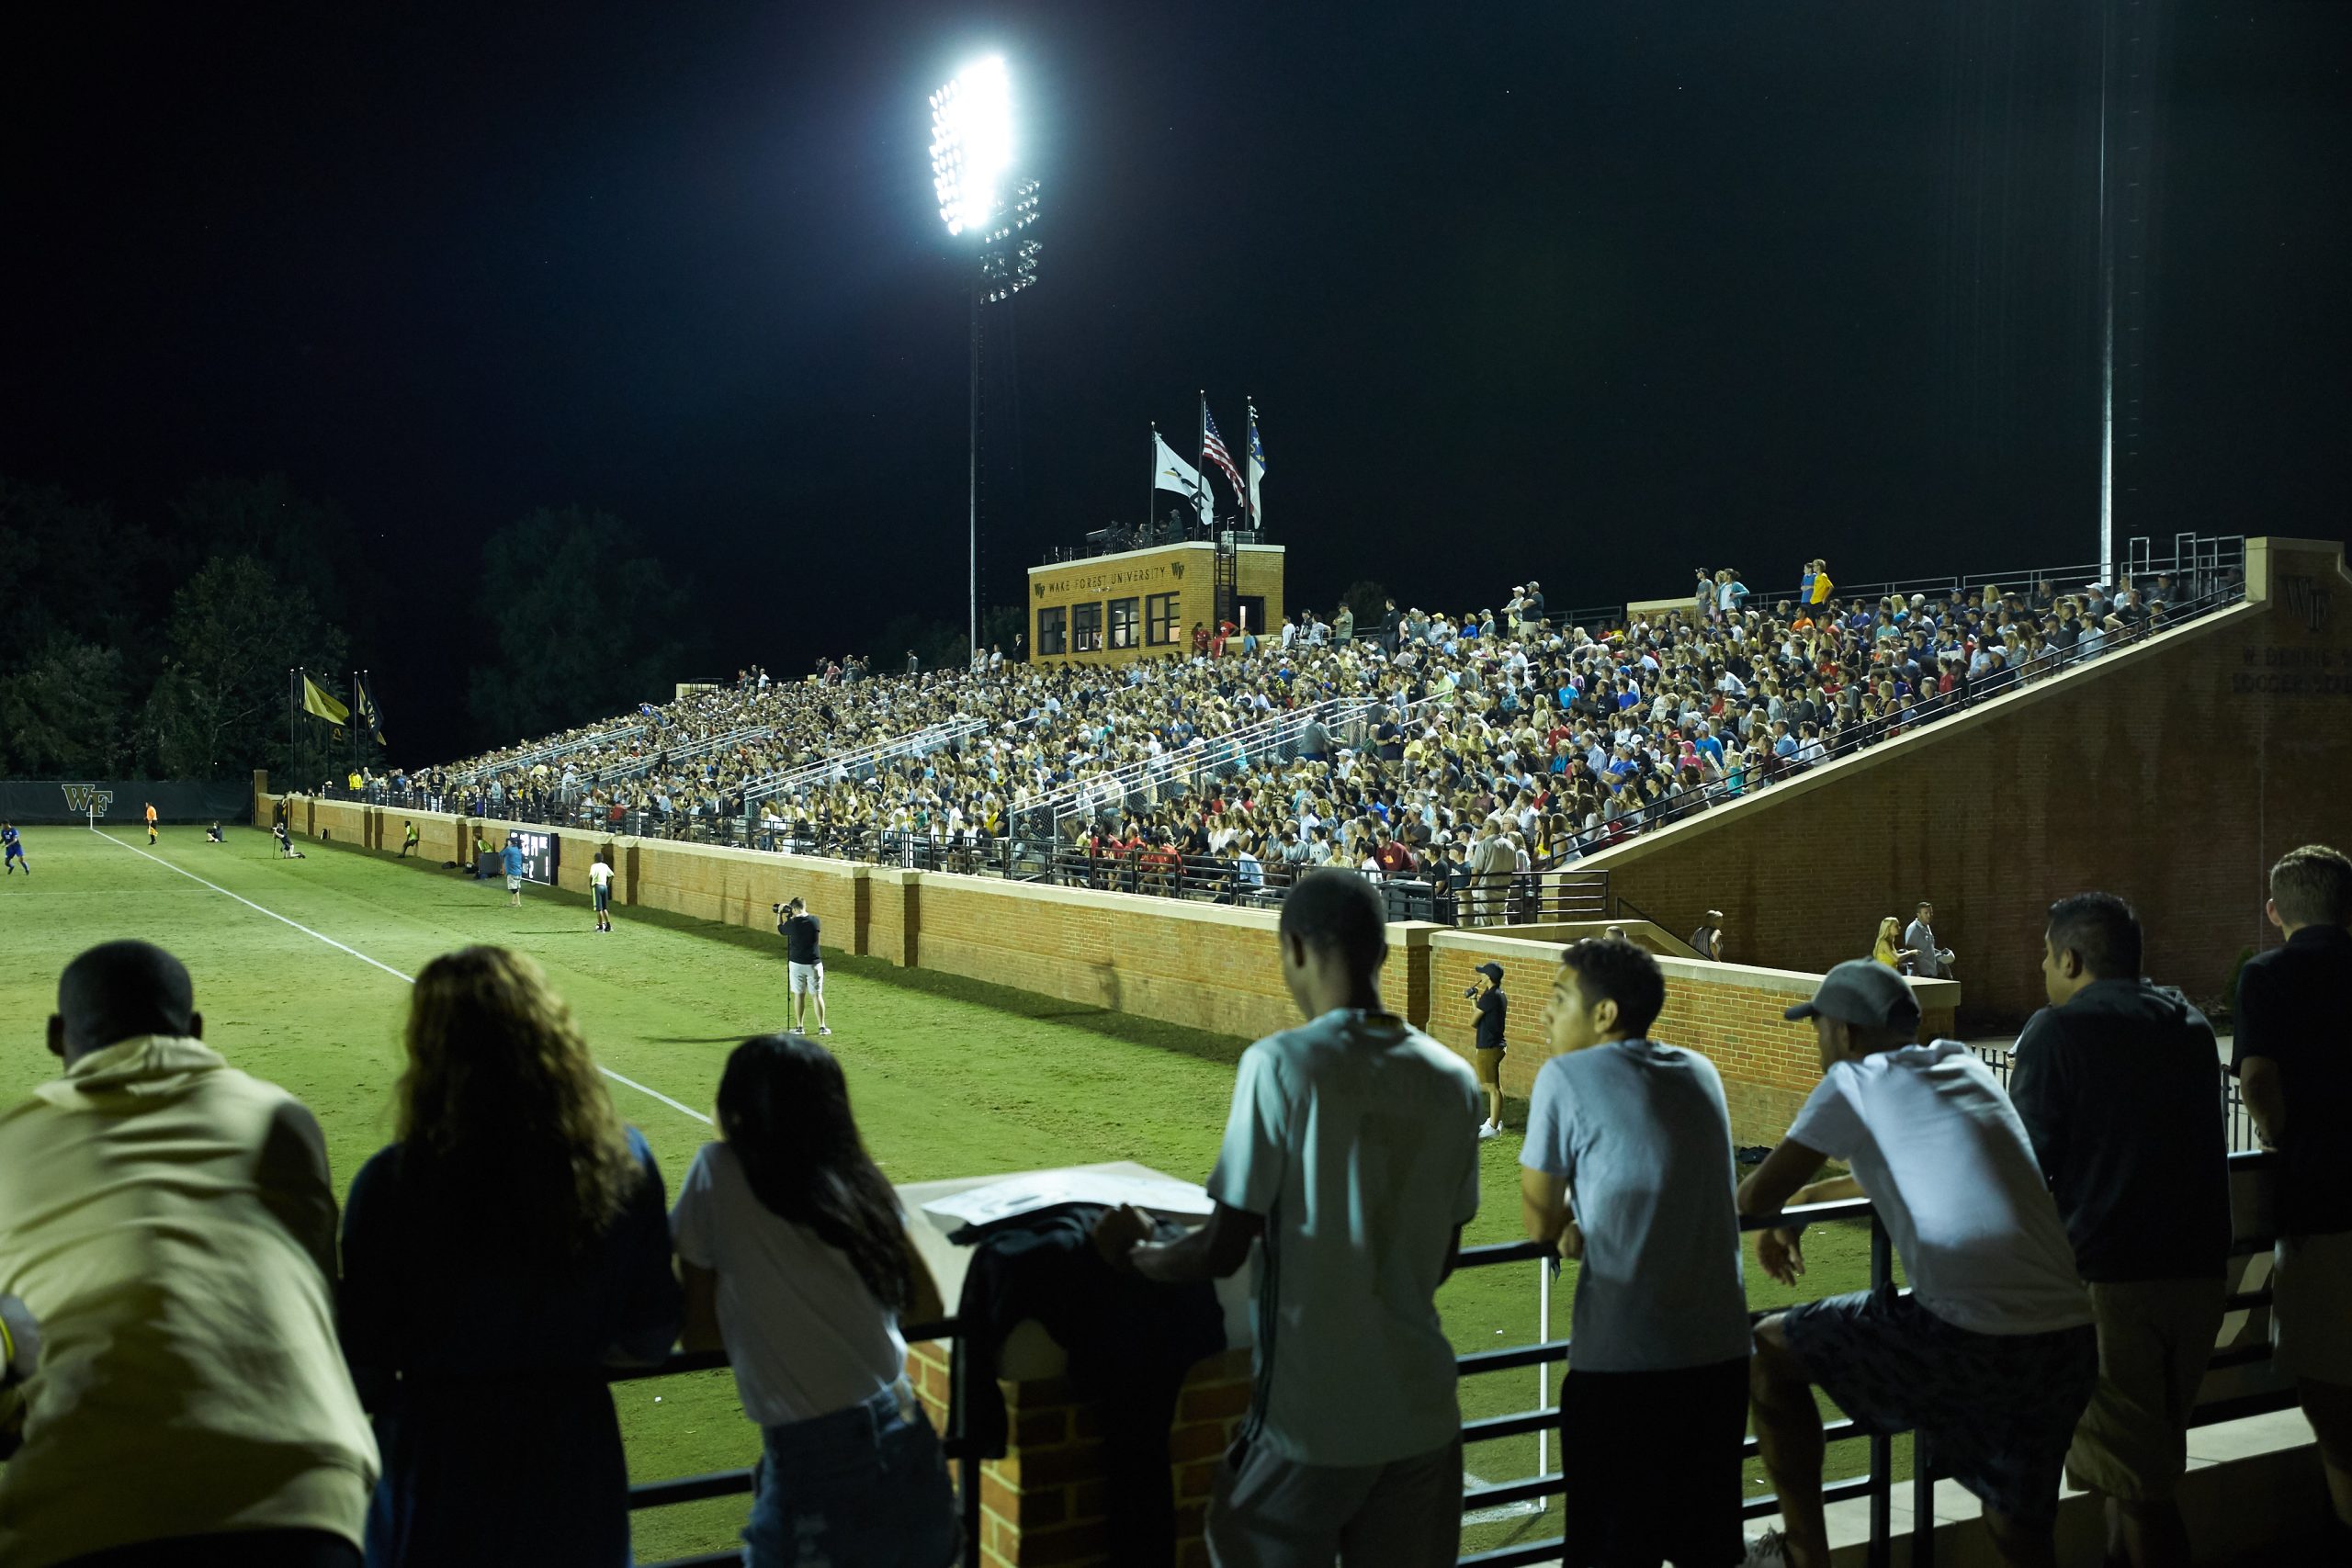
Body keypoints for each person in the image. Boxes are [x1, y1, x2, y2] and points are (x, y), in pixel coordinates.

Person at [1091, 870, 1481, 1567]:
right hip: (1425, 1416)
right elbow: (1443, 1257)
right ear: (1382, 953)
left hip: (1311, 1421)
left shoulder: (1282, 1064)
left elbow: (1220, 1246)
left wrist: (1138, 1252)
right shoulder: (1452, 1078)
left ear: (1295, 948)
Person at [0, 941, 379, 1566]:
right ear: (196, 1029)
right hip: (307, 1500)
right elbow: (321, 1305)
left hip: (83, 1507)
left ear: (55, 1036)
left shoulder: (12, 1146)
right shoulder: (286, 1120)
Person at [1738, 961, 2095, 1568]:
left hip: (1966, 1335)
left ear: (1846, 1033)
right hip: (2064, 1337)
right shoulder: (1961, 1067)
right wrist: (1805, 1202)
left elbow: (1749, 1199)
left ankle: (1802, 1554)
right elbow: (1904, 1162)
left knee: (1771, 1348)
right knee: (2019, 1525)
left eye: (1819, 1027)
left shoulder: (1851, 1080)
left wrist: (1782, 1201)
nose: (1817, 1040)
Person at [339, 946, 681, 1567]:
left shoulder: (390, 1185)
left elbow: (361, 1366)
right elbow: (653, 1333)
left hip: (442, 1469)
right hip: (574, 1464)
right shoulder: (623, 1162)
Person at [672, 1034, 956, 1567]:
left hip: (815, 1455)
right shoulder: (859, 1179)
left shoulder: (717, 1169)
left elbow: (699, 1333)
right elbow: (927, 1308)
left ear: (737, 1108)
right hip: (907, 1435)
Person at [2007, 894, 2231, 1568]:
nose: (2044, 970)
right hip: (2198, 1275)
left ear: (2071, 958)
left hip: (2110, 1284)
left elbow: (2019, 1167)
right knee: (2133, 1472)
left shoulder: (2056, 1031)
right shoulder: (2187, 1024)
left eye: (2047, 957)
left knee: (2140, 1492)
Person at [1519, 939, 1750, 1568]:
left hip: (1625, 1368)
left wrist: (1569, 1220)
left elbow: (1538, 1218)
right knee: (1706, 1551)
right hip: (1720, 1361)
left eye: (1559, 997)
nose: (1543, 1012)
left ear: (1605, 1014)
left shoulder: (1564, 1076)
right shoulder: (1699, 1069)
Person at [2232, 843, 2352, 1535]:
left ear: (2276, 909)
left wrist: (2282, 1137)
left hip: (2322, 1206)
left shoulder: (2268, 977)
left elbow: (2257, 1081)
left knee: (2335, 1407)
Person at [778, 897, 830, 1036]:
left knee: (799, 995)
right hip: (814, 963)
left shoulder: (793, 923)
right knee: (817, 995)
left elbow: (781, 930)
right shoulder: (815, 921)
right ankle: (822, 1027)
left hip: (797, 963)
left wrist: (780, 914)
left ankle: (800, 1027)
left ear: (794, 908)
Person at [1469, 961, 1508, 1137]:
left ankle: (1492, 1128)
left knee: (1493, 1088)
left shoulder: (1489, 997)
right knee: (1496, 1087)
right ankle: (1494, 1120)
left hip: (1489, 1046)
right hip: (1497, 1044)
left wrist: (1474, 1000)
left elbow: (1473, 1021)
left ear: (1489, 977)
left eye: (1483, 974)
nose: (1481, 976)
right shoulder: (1499, 994)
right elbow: (1482, 1020)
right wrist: (1475, 999)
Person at [1905, 901, 1953, 978]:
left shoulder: (1926, 926)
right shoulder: (1913, 929)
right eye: (1926, 913)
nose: (1929, 916)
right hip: (1922, 974)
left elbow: (1927, 948)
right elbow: (1910, 953)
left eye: (1931, 913)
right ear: (1918, 915)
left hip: (1931, 971)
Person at [588, 852, 615, 933]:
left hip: (597, 886)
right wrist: (607, 884)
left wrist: (591, 885)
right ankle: (608, 926)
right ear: (602, 859)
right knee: (604, 908)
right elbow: (612, 875)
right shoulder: (605, 866)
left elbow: (591, 876)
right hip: (604, 886)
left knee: (598, 908)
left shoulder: (594, 866)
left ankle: (600, 927)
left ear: (595, 859)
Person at [502, 834, 525, 908]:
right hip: (518, 872)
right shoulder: (518, 849)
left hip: (512, 872)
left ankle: (518, 903)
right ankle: (513, 902)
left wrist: (505, 846)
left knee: (513, 889)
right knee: (516, 887)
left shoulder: (509, 849)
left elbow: (501, 854)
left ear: (511, 843)